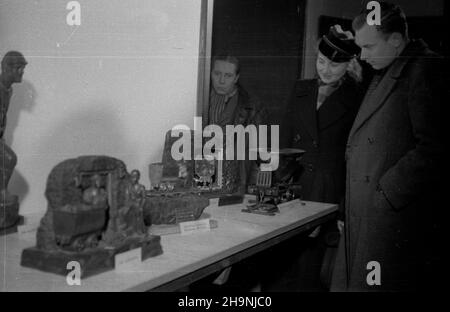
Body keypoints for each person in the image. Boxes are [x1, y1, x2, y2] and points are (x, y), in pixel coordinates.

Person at [331, 2, 443, 291]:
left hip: (390, 219)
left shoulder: (426, 69)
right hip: (368, 212)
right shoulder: (389, 65)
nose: (362, 56)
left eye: (368, 46)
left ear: (395, 40)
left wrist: (385, 193)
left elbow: (435, 147)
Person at [263, 25, 366, 291]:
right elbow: (283, 142)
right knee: (277, 266)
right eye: (321, 61)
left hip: (324, 193)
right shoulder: (301, 89)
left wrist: (344, 207)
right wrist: (272, 188)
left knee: (308, 269)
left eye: (334, 65)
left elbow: (354, 160)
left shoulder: (357, 98)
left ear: (348, 65)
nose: (325, 69)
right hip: (290, 187)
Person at [207, 54, 267, 193]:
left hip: (235, 180)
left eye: (228, 75)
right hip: (204, 175)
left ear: (236, 78)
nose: (221, 80)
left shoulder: (253, 107)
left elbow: (258, 156)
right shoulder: (202, 98)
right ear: (210, 73)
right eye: (217, 74)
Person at [0, 51, 27, 230]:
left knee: (7, 159)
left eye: (22, 69)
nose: (21, 73)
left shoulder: (7, 89)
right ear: (7, 68)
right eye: (19, 69)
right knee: (9, 159)